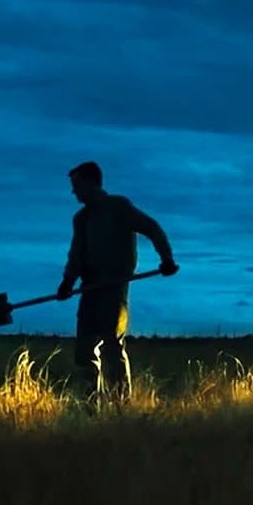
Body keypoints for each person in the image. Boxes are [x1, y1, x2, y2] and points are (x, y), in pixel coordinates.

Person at [56, 161, 177, 401]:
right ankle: (90, 406)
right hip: (89, 290)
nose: (74, 192)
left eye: (77, 186)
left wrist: (166, 258)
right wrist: (67, 283)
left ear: (91, 184)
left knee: (112, 348)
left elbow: (152, 228)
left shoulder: (118, 207)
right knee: (84, 353)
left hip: (114, 288)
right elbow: (76, 254)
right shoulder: (81, 219)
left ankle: (121, 407)